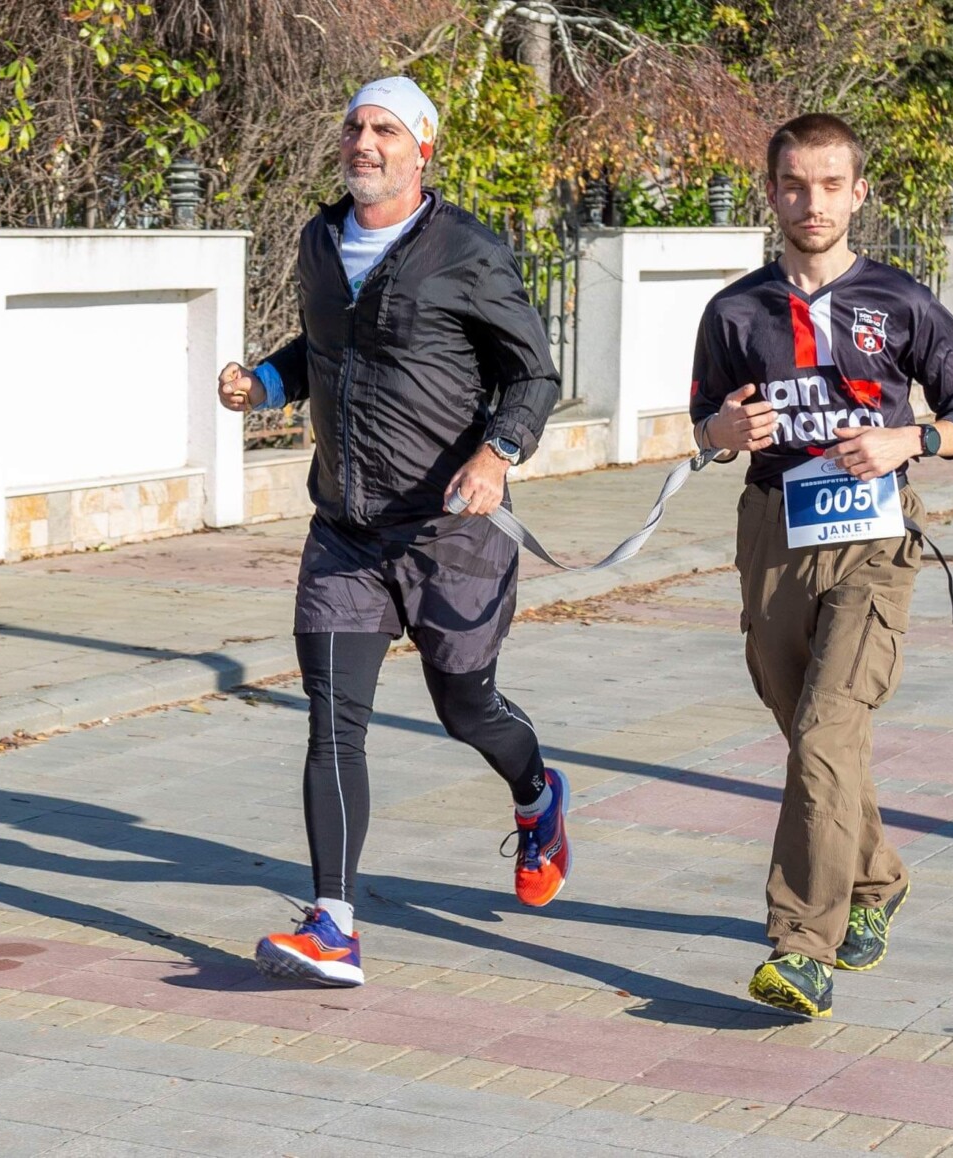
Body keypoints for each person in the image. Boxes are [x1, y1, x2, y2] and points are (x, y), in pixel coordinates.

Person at [216, 77, 571, 988]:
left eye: (385, 129)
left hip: (449, 531)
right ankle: (333, 922)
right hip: (345, 530)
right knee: (334, 725)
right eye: (354, 127)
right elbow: (325, 347)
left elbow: (533, 376)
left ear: (423, 149)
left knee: (467, 708)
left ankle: (537, 793)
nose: (363, 143)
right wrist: (264, 381)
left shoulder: (469, 254)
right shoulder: (318, 242)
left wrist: (497, 455)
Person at [688, 113, 953, 1017]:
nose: (811, 202)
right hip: (775, 536)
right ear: (772, 189)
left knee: (826, 734)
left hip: (875, 543)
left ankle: (801, 947)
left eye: (830, 184)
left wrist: (915, 437)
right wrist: (720, 433)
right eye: (794, 184)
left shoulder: (902, 301)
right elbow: (703, 421)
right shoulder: (734, 311)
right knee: (810, 735)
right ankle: (878, 878)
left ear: (859, 192)